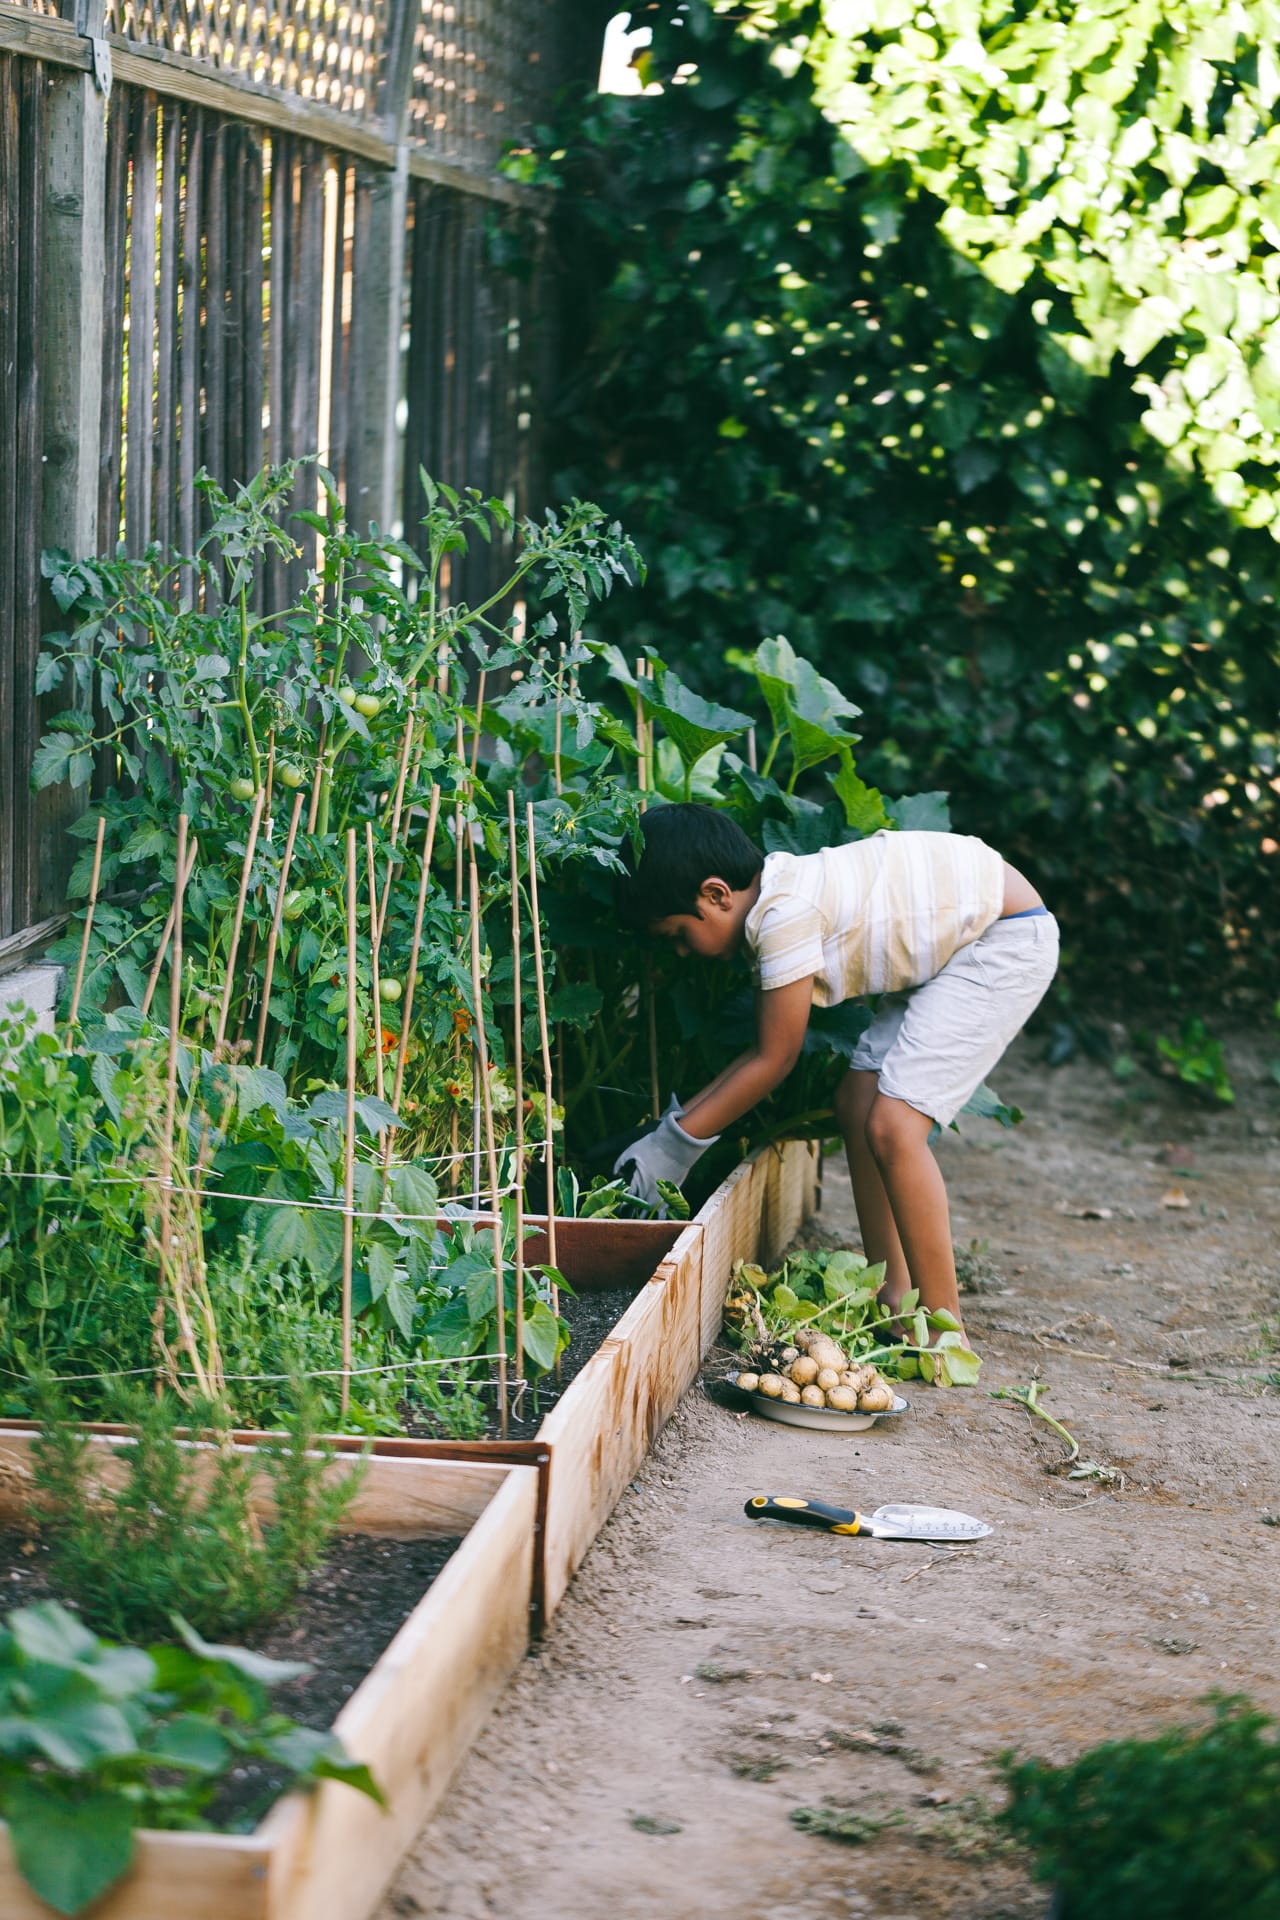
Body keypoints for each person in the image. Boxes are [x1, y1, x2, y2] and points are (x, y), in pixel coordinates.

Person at [614, 803, 1058, 1342]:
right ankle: (894, 1293)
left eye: (677, 935)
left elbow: (773, 1059)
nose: (681, 951)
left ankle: (945, 1329)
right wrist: (673, 1134)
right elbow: (763, 1054)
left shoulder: (783, 915)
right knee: (856, 1104)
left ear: (715, 894)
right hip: (964, 936)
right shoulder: (777, 900)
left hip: (1002, 937)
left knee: (895, 1127)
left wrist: (672, 1147)